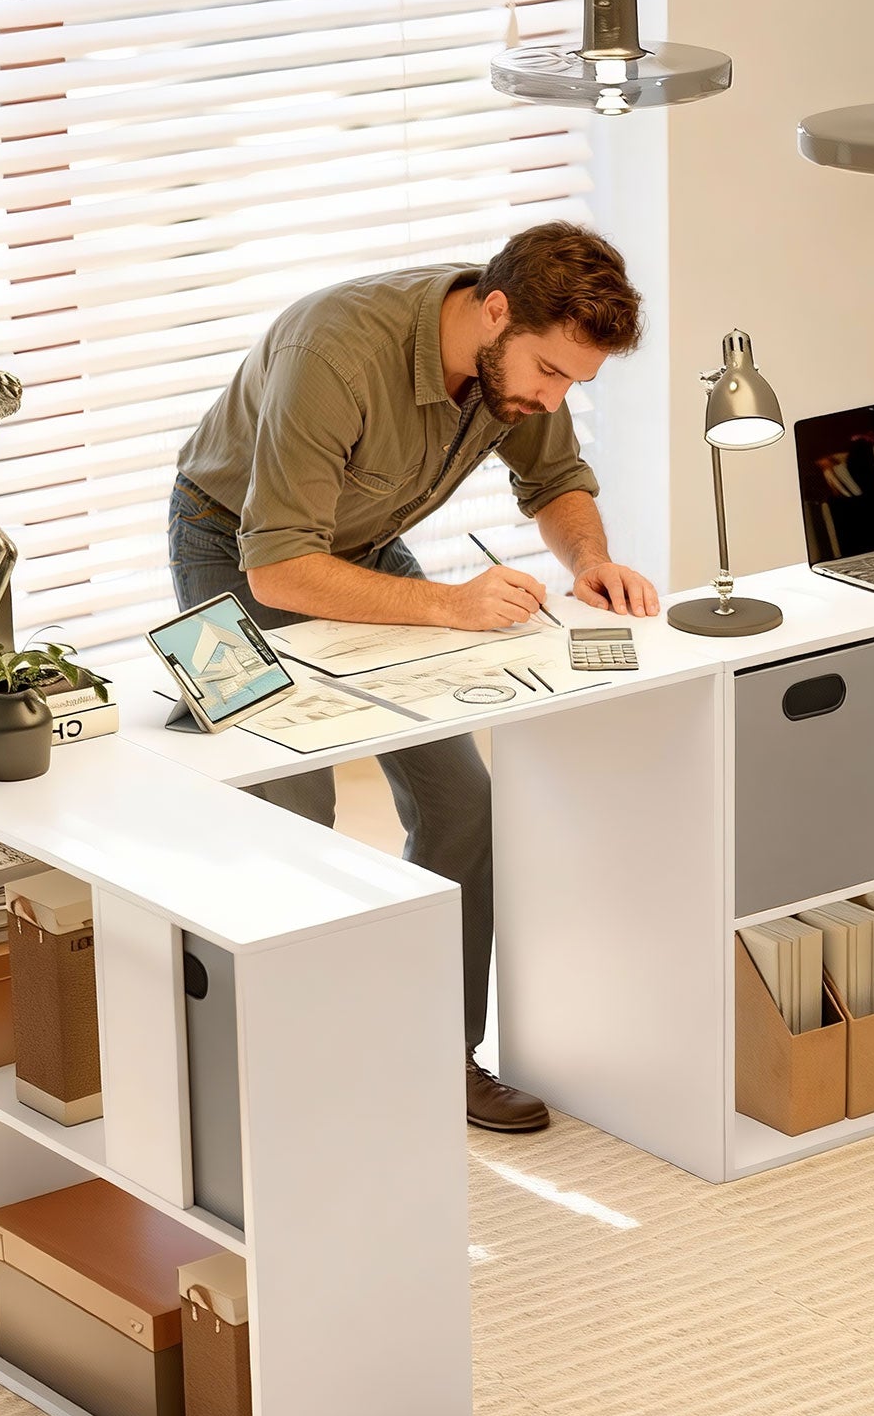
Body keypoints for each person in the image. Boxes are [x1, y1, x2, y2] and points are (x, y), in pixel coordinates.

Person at [168, 222, 660, 1133]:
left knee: (463, 804)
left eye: (574, 384)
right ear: (497, 311)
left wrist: (589, 557)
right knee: (290, 807)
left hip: (359, 547)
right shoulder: (337, 350)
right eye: (551, 373)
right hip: (228, 548)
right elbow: (278, 570)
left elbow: (554, 483)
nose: (555, 398)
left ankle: (440, 1053)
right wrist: (449, 606)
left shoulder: (517, 367)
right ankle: (280, 1070)